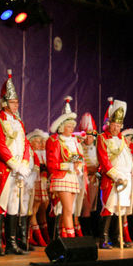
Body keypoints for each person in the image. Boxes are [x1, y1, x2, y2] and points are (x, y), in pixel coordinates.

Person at [0, 69, 31, 256]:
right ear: (5, 102)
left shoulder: (19, 122)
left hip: (18, 170)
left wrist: (25, 163)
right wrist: (16, 165)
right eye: (13, 102)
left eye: (17, 102)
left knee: (14, 206)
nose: (16, 105)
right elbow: (0, 146)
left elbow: (25, 144)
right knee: (1, 205)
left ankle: (12, 243)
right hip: (5, 169)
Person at [96, 98, 133, 248]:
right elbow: (104, 160)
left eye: (118, 126)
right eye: (114, 125)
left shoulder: (123, 139)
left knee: (121, 208)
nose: (116, 128)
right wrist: (116, 176)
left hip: (125, 179)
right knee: (109, 207)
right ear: (109, 124)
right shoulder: (102, 138)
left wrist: (128, 176)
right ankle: (103, 239)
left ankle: (118, 238)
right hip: (112, 179)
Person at [46, 97, 85, 238]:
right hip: (61, 177)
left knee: (69, 209)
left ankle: (64, 236)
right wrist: (69, 165)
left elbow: (80, 157)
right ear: (62, 127)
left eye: (72, 126)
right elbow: (51, 163)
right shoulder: (55, 141)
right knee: (68, 210)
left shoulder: (74, 141)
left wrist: (78, 166)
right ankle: (71, 238)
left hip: (73, 177)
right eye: (68, 126)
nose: (71, 129)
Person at [27, 129, 50, 246]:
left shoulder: (42, 154)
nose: (40, 144)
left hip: (42, 182)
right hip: (33, 183)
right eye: (37, 141)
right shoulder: (31, 153)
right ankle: (34, 236)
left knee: (42, 210)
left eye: (41, 141)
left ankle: (44, 236)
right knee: (33, 209)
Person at [79, 112, 99, 237]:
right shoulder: (79, 147)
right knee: (83, 205)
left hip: (94, 179)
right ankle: (83, 230)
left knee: (91, 205)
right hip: (82, 178)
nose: (88, 139)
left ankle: (89, 230)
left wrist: (96, 171)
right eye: (86, 136)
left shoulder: (97, 148)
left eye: (90, 136)